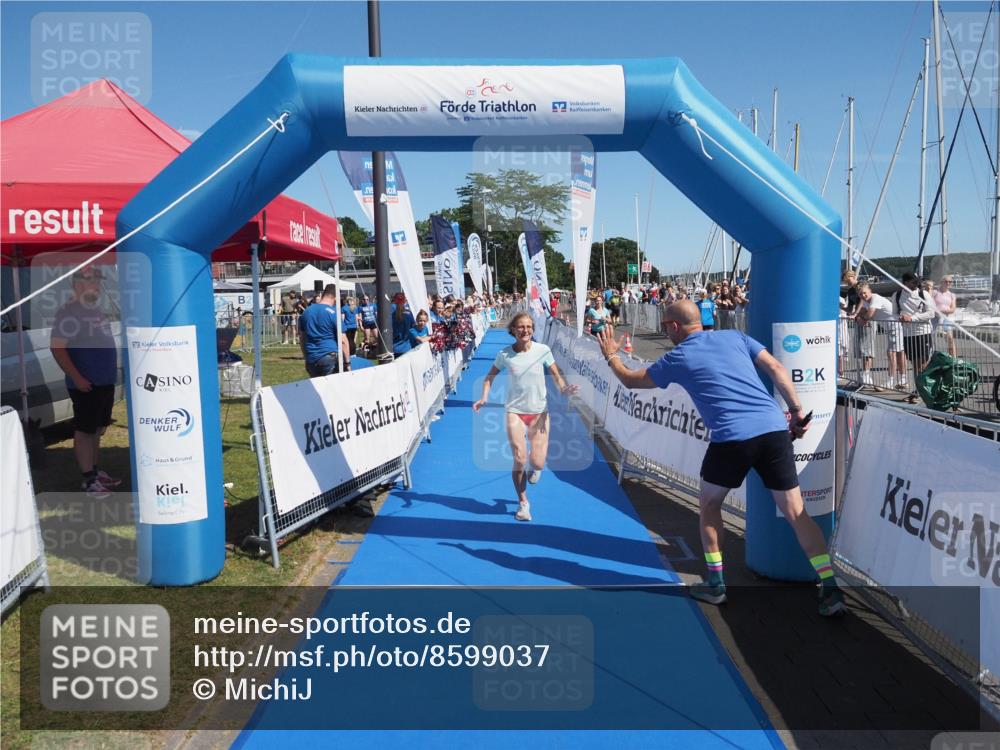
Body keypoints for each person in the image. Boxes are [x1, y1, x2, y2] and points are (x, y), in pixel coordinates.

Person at [596, 301, 845, 616]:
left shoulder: (678, 357)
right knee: (797, 513)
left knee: (710, 506)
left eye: (665, 327)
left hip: (731, 440)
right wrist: (796, 411)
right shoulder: (736, 337)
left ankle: (716, 584)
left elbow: (631, 381)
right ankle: (830, 587)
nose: (665, 332)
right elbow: (778, 369)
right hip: (773, 430)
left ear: (673, 327)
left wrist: (611, 356)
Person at [473, 312, 578, 522]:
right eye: (521, 327)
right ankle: (523, 503)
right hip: (515, 411)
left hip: (539, 411)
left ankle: (535, 467)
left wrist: (564, 389)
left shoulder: (543, 350)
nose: (526, 330)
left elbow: (556, 375)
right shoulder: (505, 354)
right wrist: (484, 397)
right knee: (520, 458)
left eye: (529, 327)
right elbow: (489, 378)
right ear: (513, 330)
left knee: (537, 462)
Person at [51, 266, 122, 499]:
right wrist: (77, 377)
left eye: (99, 282)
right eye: (94, 281)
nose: (98, 286)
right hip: (86, 383)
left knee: (97, 429)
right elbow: (58, 348)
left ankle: (95, 471)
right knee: (84, 430)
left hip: (104, 381)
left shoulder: (95, 310)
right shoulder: (68, 312)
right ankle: (89, 480)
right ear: (78, 283)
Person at [896, 271, 936, 402]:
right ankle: (920, 390)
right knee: (915, 365)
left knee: (922, 364)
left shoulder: (923, 294)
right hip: (908, 335)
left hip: (923, 332)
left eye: (917, 281)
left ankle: (922, 391)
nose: (917, 284)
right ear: (905, 282)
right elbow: (894, 314)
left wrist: (911, 318)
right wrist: (901, 316)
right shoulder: (897, 295)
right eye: (914, 281)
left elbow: (931, 313)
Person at [298, 284, 351, 377]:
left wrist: (306, 356)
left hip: (311, 358)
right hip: (329, 356)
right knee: (332, 389)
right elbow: (343, 341)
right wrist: (347, 363)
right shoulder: (334, 313)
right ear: (335, 298)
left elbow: (302, 338)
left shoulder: (306, 312)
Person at [933, 276, 957, 357]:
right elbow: (930, 306)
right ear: (941, 282)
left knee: (950, 339)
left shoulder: (952, 295)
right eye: (946, 281)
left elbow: (953, 309)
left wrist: (939, 310)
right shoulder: (935, 292)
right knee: (931, 338)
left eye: (950, 281)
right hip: (935, 318)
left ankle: (953, 359)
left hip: (946, 318)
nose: (948, 283)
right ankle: (930, 358)